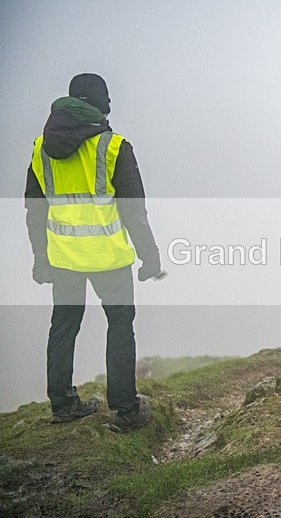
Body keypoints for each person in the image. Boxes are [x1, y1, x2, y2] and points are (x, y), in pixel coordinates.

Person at [24, 73, 162, 432]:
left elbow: (34, 210)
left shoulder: (41, 148)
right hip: (109, 257)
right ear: (101, 105)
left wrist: (41, 257)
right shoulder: (114, 146)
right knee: (119, 324)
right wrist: (150, 257)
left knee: (64, 323)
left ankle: (63, 404)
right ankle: (126, 409)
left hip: (64, 256)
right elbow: (134, 210)